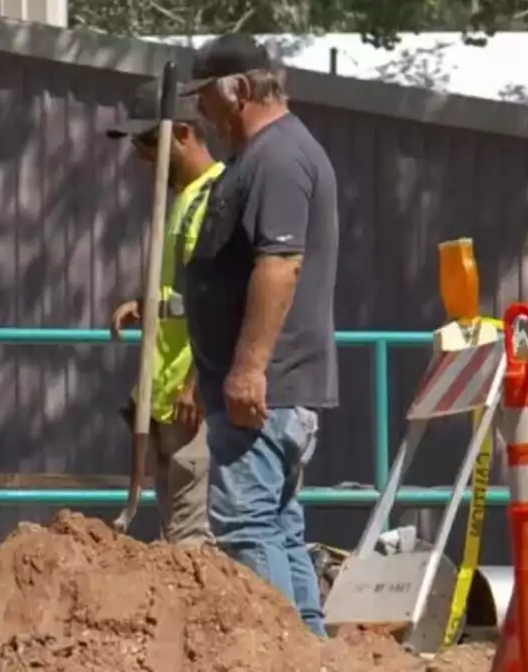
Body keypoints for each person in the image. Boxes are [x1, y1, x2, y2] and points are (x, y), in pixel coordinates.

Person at [178, 33, 339, 638]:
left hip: (264, 394)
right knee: (278, 526)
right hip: (263, 392)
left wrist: (247, 369)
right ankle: (308, 648)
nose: (201, 114)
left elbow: (280, 265)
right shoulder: (265, 157)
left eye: (206, 98)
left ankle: (278, 652)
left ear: (239, 90)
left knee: (248, 527)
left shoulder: (276, 160)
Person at [106, 81, 225, 547]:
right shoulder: (184, 198)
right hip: (163, 392)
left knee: (191, 538)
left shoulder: (214, 199)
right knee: (173, 534)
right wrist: (147, 303)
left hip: (188, 396)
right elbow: (185, 289)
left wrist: (195, 382)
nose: (140, 157)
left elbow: (217, 302)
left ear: (184, 135)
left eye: (148, 143)